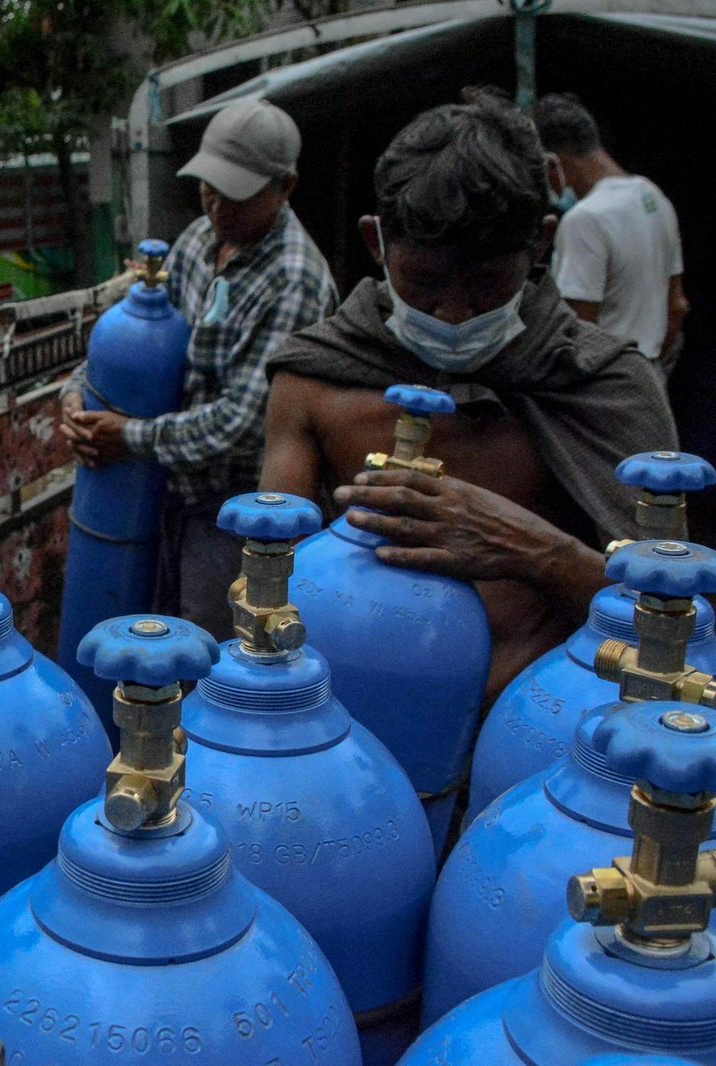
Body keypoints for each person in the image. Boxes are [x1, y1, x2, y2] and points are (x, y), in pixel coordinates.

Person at [261, 90, 677, 701]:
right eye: (423, 281)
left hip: (550, 727)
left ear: (540, 244)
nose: (454, 313)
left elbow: (680, 624)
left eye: (488, 284)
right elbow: (268, 594)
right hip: (357, 722)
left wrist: (537, 553)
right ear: (376, 242)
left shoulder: (604, 385)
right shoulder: (314, 379)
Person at [60, 100, 338, 638]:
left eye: (236, 194)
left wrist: (130, 437)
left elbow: (242, 422)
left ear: (285, 187)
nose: (217, 206)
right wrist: (81, 396)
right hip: (164, 487)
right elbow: (146, 343)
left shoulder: (295, 280)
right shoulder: (196, 241)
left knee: (203, 648)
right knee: (140, 635)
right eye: (209, 188)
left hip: (230, 512)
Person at [533, 93, 688, 378]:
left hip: (605, 383)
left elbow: (578, 336)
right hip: (651, 376)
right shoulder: (653, 196)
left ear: (553, 162)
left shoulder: (585, 219)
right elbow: (677, 306)